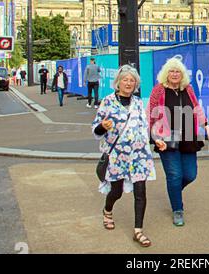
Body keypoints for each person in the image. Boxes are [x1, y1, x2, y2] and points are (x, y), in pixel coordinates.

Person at [146, 56, 209, 226]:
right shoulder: (159, 90)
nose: (175, 74)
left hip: (188, 137)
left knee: (190, 174)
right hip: (166, 139)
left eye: (178, 71)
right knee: (175, 175)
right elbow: (150, 114)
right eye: (171, 71)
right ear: (166, 73)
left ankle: (174, 190)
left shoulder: (188, 89)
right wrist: (152, 136)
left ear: (182, 74)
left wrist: (206, 126)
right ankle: (178, 209)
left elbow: (197, 108)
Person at [92, 64, 156, 247]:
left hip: (139, 156)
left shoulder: (138, 102)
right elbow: (96, 129)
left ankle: (138, 231)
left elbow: (143, 127)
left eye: (132, 80)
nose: (129, 83)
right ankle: (107, 210)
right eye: (125, 80)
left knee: (141, 192)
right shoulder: (108, 101)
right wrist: (102, 127)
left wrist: (154, 140)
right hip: (118, 156)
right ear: (118, 82)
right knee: (116, 191)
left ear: (136, 84)